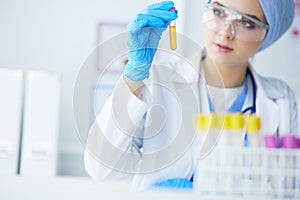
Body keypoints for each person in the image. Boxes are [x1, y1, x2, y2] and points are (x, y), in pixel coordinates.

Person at [84, 0, 298, 190]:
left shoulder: (280, 99)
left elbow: (289, 184)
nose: (226, 32)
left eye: (247, 23)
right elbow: (101, 169)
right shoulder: (159, 79)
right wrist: (133, 77)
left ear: (267, 35)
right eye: (219, 12)